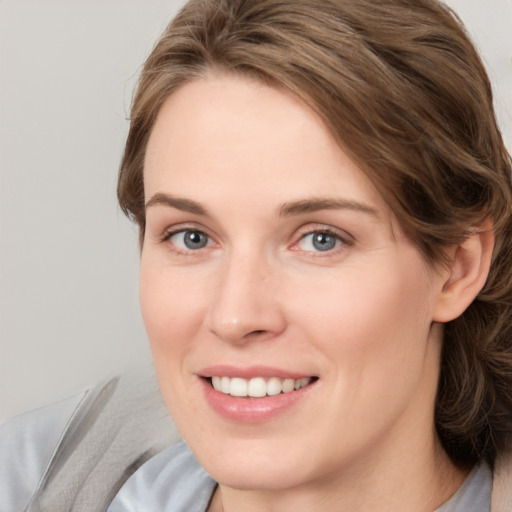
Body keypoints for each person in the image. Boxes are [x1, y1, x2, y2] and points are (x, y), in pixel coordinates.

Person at [1, 0, 511, 510]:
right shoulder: (36, 480)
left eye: (320, 239)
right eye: (191, 237)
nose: (235, 316)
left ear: (456, 269)